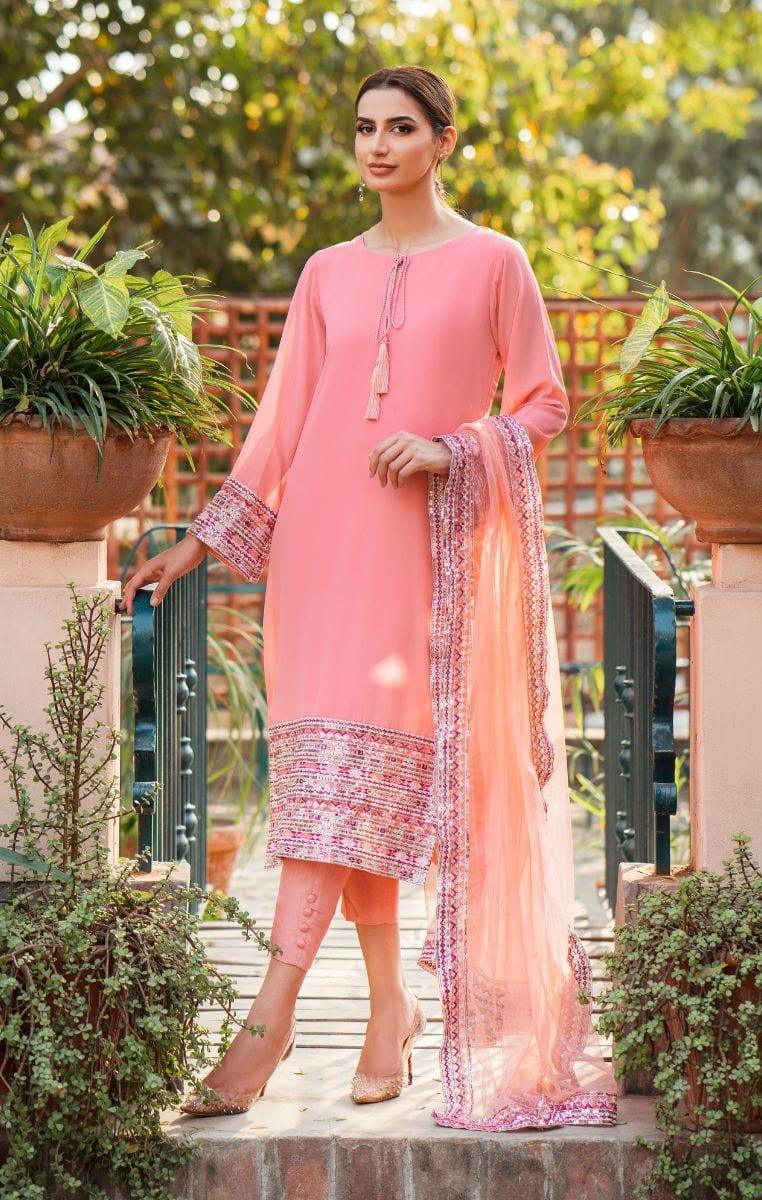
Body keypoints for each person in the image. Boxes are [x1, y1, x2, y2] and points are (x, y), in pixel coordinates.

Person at [122, 65, 618, 1130]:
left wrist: (452, 448)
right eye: (364, 128)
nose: (378, 145)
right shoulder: (326, 273)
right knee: (331, 787)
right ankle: (387, 1010)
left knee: (363, 784)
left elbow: (544, 403)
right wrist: (198, 543)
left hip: (418, 560)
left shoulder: (495, 262)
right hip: (319, 553)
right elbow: (281, 423)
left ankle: (268, 1020)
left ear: (444, 141)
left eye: (400, 127)